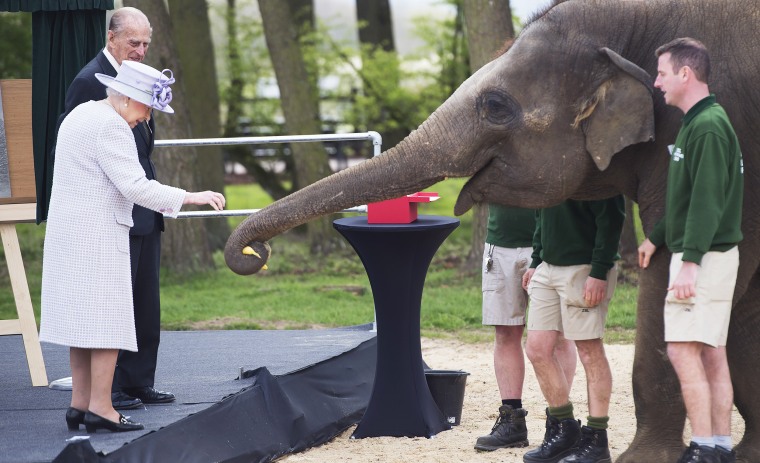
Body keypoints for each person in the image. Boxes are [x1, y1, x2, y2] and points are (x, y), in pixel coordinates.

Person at [39, 60, 226, 432]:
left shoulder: (81, 114)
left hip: (68, 234)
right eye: (147, 108)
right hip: (98, 235)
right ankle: (101, 408)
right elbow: (136, 187)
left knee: (82, 323)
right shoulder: (111, 126)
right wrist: (191, 196)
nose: (147, 117)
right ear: (126, 97)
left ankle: (79, 405)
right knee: (108, 323)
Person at [57, 7, 173, 410]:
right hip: (112, 206)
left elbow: (142, 143)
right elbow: (74, 141)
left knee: (144, 301)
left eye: (145, 44)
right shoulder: (91, 80)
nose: (141, 51)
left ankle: (139, 379)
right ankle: (112, 389)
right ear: (111, 39)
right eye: (133, 43)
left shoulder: (139, 79)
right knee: (113, 303)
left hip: (144, 203)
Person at [638, 37, 743, 463]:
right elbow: (686, 197)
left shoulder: (708, 126)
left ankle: (701, 446)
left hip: (704, 257)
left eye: (662, 72)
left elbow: (707, 200)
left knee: (683, 350)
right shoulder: (698, 123)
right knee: (711, 353)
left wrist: (690, 262)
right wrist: (657, 236)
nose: (657, 82)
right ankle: (718, 447)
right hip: (709, 254)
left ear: (686, 73)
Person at [522, 197, 625, 463]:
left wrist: (600, 271)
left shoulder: (594, 169)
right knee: (536, 349)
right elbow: (541, 213)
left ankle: (597, 440)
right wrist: (536, 259)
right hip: (547, 266)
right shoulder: (547, 162)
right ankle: (564, 429)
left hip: (585, 267)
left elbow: (612, 217)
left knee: (589, 350)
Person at [475, 204, 577, 452]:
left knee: (559, 335)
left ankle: (559, 420)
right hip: (500, 242)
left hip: (551, 242)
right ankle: (512, 423)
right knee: (505, 332)